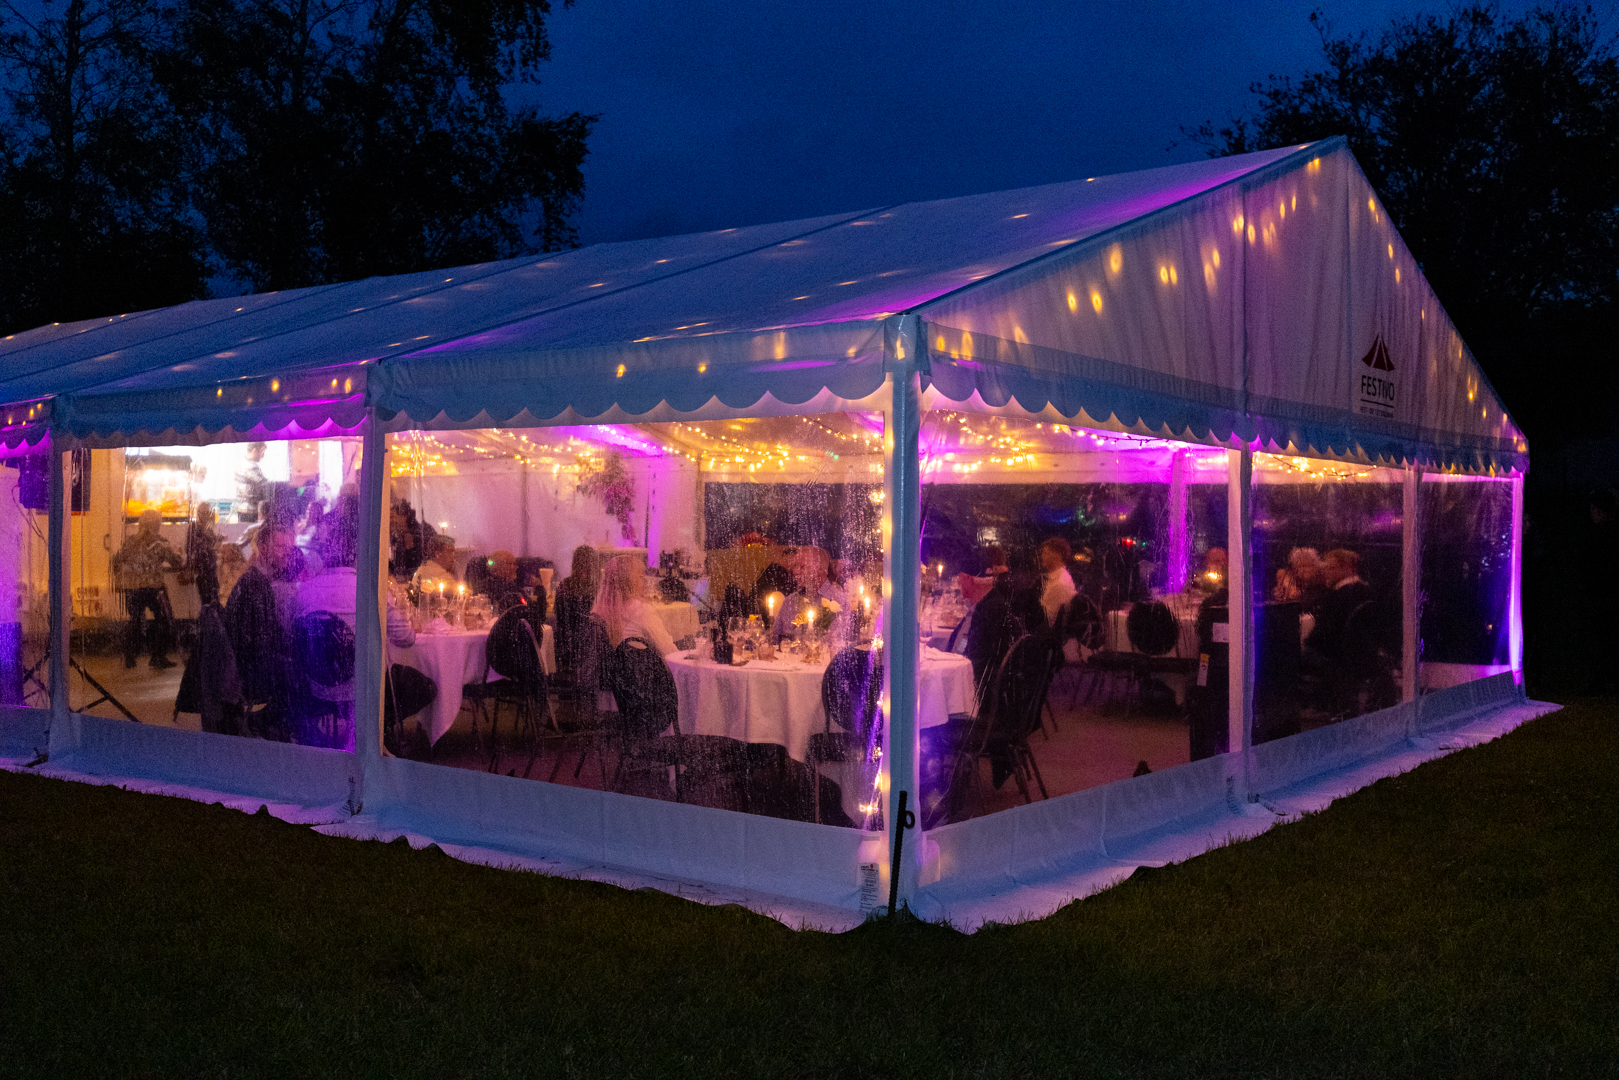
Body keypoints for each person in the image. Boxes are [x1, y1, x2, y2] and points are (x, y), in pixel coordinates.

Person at [296, 506, 420, 712]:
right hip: (362, 689)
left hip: (315, 686)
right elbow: (406, 638)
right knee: (425, 687)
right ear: (357, 557)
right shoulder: (370, 591)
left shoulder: (304, 591)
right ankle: (383, 731)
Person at [223, 518, 300, 738]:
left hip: (244, 669)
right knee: (309, 677)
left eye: (289, 547)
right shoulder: (256, 587)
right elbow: (258, 647)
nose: (287, 552)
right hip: (251, 677)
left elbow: (269, 634)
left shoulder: (253, 581)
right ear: (263, 548)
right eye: (280, 547)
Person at [112, 509, 184, 669]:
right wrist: (180, 554)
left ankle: (129, 657)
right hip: (153, 589)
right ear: (156, 525)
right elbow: (175, 562)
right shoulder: (160, 543)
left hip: (132, 588)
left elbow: (117, 559)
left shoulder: (130, 542)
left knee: (135, 621)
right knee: (163, 620)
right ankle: (157, 657)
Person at [593, 554, 677, 656]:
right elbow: (669, 652)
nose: (645, 580)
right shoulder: (642, 611)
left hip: (612, 671)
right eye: (641, 576)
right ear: (629, 581)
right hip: (640, 671)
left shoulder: (599, 611)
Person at [1303, 549, 1374, 662]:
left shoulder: (1338, 595)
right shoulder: (1366, 591)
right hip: (1359, 657)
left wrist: (1304, 643)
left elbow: (1322, 636)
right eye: (1325, 568)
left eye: (1331, 568)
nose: (1326, 572)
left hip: (1334, 658)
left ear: (1347, 568)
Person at [771, 546, 847, 643]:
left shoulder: (838, 601)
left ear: (820, 569)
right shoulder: (789, 601)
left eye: (802, 566)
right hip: (788, 657)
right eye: (795, 566)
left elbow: (839, 644)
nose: (795, 572)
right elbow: (774, 640)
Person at [186, 503, 222, 608]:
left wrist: (218, 540)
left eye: (208, 513)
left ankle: (211, 620)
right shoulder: (194, 528)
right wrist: (211, 548)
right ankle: (208, 621)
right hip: (202, 569)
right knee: (207, 598)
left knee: (213, 597)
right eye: (204, 513)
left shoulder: (209, 529)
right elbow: (191, 548)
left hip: (210, 568)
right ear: (199, 513)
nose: (207, 515)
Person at [1037, 537, 1077, 628]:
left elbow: (1050, 619)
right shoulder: (1054, 579)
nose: (1042, 556)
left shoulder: (1060, 583)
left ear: (1057, 555)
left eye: (1046, 553)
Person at [482, 550, 525, 614]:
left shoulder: (512, 585)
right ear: (498, 567)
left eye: (515, 564)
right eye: (510, 564)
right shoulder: (490, 586)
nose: (515, 567)